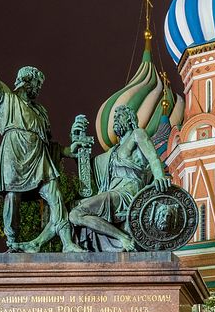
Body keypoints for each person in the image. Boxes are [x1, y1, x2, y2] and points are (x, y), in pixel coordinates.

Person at [0, 6, 83, 252]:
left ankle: (68, 243)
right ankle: (12, 242)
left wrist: (70, 150)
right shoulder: (5, 97)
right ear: (25, 81)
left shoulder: (41, 112)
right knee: (13, 198)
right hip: (14, 151)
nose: (38, 88)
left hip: (39, 157)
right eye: (36, 83)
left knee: (55, 195)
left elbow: (50, 145)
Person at [69, 105, 170, 251]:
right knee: (69, 209)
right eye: (114, 118)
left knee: (76, 214)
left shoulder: (137, 134)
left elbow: (153, 157)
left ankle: (123, 238)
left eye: (119, 116)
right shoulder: (112, 152)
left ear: (130, 119)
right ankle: (44, 244)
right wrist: (77, 143)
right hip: (112, 193)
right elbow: (88, 172)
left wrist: (160, 176)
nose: (115, 120)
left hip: (127, 194)